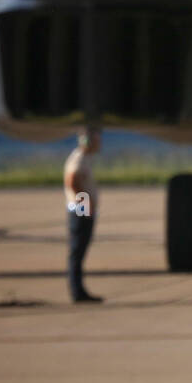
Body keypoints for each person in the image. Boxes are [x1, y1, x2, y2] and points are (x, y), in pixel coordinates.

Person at [63, 127, 103, 304]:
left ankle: (79, 290)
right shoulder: (78, 159)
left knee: (80, 251)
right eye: (96, 140)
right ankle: (77, 292)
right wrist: (86, 207)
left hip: (81, 209)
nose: (99, 144)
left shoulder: (85, 159)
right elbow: (73, 182)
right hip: (79, 210)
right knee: (77, 250)